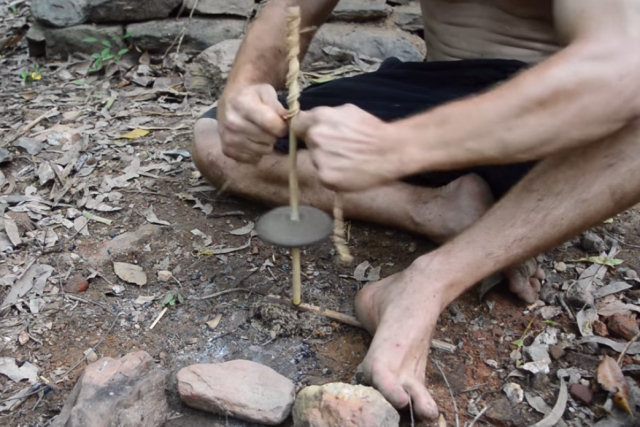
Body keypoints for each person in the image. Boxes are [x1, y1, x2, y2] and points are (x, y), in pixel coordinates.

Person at [193, 0, 640, 420]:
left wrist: (399, 147)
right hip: (430, 83)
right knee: (213, 139)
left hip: (553, 104)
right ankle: (434, 208)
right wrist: (245, 92)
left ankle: (434, 276)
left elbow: (623, 65)